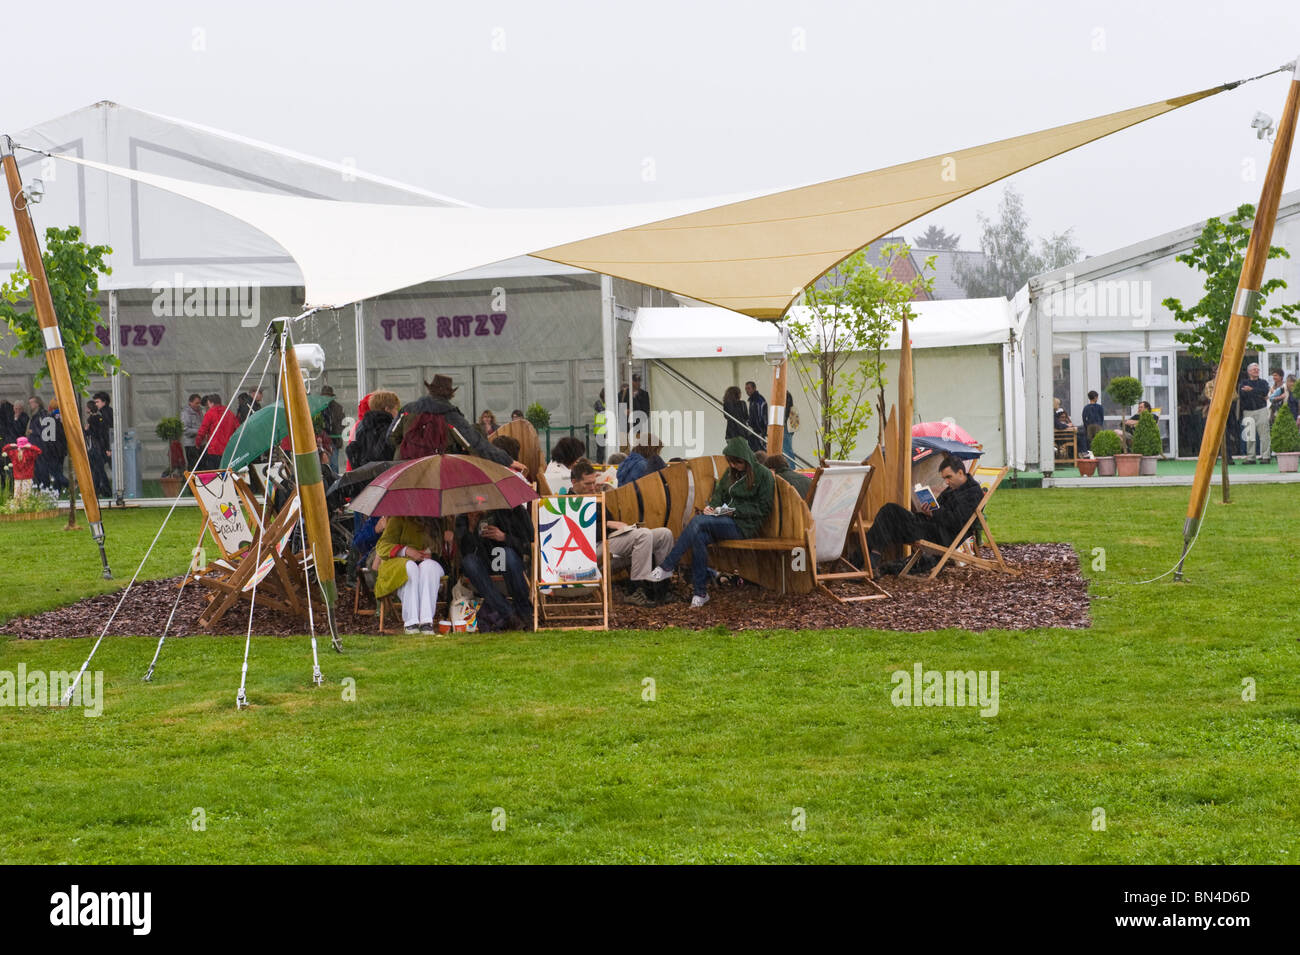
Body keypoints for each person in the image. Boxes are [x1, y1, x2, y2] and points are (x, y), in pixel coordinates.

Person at [648, 437, 774, 608]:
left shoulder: (764, 475)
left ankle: (668, 565)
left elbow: (763, 509)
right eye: (731, 462)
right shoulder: (730, 474)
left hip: (745, 526)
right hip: (724, 520)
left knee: (698, 522)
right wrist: (712, 507)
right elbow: (718, 496)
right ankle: (700, 593)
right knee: (699, 536)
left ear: (745, 459)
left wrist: (734, 511)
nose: (733, 466)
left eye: (737, 463)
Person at [569, 458, 675, 606]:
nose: (593, 487)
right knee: (643, 535)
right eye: (588, 484)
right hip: (590, 546)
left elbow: (610, 521)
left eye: (594, 482)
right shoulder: (568, 502)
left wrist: (619, 527)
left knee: (665, 534)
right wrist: (607, 524)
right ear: (574, 482)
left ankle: (661, 587)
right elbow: (579, 534)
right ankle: (636, 590)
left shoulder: (594, 496)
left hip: (608, 539)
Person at [866, 453, 983, 572]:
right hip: (930, 526)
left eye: (949, 477)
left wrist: (934, 513)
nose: (947, 482)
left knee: (888, 517)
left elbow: (957, 521)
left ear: (960, 473)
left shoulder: (973, 493)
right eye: (944, 478)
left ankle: (867, 561)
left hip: (941, 536)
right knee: (889, 510)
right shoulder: (953, 487)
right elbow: (939, 508)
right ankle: (871, 559)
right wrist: (929, 509)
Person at [389, 375, 524, 471]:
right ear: (450, 395)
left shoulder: (407, 410)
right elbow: (475, 443)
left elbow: (391, 437)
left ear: (430, 390)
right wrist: (507, 460)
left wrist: (411, 448)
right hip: (435, 470)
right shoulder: (450, 415)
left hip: (405, 468)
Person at [455, 505, 534, 630]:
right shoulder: (465, 518)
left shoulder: (514, 511)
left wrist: (504, 537)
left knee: (507, 555)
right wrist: (471, 527)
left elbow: (528, 544)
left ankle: (525, 613)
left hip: (510, 562)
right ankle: (509, 614)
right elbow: (465, 552)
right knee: (468, 562)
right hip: (485, 563)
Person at [374, 515, 452, 634]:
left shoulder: (437, 521)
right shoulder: (398, 519)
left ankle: (426, 622)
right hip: (399, 562)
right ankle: (411, 622)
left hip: (429, 562)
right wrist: (406, 550)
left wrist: (439, 550)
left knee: (428, 566)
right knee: (411, 567)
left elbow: (448, 554)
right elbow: (382, 547)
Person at [347, 390, 401, 470]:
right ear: (387, 409)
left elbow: (352, 451)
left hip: (364, 478)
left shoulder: (362, 426)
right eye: (396, 409)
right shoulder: (388, 428)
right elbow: (385, 455)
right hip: (383, 478)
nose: (397, 413)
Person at [196, 394, 238, 470]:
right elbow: (237, 429)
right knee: (226, 472)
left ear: (211, 403)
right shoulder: (229, 413)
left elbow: (203, 430)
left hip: (214, 449)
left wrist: (198, 443)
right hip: (228, 449)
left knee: (214, 473)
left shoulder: (210, 413)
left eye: (208, 404)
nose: (208, 406)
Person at [1239, 362, 1270, 464]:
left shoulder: (1263, 382)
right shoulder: (1243, 383)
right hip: (1248, 412)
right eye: (1254, 369)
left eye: (1257, 369)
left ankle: (1266, 456)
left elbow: (1265, 392)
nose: (1256, 371)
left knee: (1264, 434)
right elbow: (1243, 395)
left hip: (1261, 410)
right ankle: (1251, 458)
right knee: (1250, 436)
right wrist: (1258, 393)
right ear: (1249, 372)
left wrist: (1251, 390)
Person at [85, 394, 112, 498]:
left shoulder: (93, 419)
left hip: (96, 448)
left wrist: (86, 431)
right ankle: (99, 490)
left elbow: (96, 433)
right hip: (99, 447)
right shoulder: (99, 417)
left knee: (98, 470)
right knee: (97, 470)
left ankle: (102, 490)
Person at [2, 436, 41, 500]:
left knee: (17, 497)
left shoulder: (14, 453)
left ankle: (17, 509)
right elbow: (39, 451)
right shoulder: (30, 453)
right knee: (25, 497)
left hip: (17, 478)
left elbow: (4, 449)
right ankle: (25, 509)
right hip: (27, 477)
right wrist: (30, 447)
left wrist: (10, 445)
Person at [181, 393, 204, 468]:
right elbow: (185, 429)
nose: (198, 405)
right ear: (190, 402)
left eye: (199, 403)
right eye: (196, 403)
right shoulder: (185, 413)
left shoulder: (200, 411)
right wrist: (199, 431)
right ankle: (191, 479)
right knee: (193, 466)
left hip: (200, 443)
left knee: (201, 466)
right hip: (191, 444)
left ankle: (197, 479)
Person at [744, 381, 768, 453]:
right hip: (753, 432)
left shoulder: (759, 400)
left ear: (754, 388)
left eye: (748, 388)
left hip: (758, 432)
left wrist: (761, 431)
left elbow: (761, 417)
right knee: (754, 452)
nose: (747, 391)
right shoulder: (752, 400)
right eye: (746, 389)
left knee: (761, 452)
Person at [592, 389, 607, 464]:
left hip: (607, 429)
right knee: (601, 450)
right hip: (599, 430)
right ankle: (599, 464)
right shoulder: (598, 403)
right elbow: (602, 411)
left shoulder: (609, 403)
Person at [782, 392, 796, 460]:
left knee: (787, 450)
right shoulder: (792, 408)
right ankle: (791, 467)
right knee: (788, 450)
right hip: (789, 431)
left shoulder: (786, 409)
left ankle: (791, 467)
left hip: (786, 430)